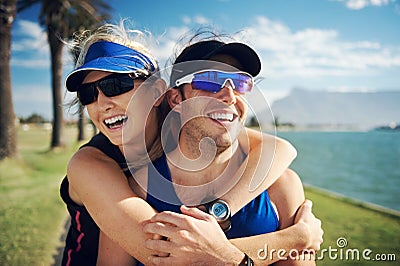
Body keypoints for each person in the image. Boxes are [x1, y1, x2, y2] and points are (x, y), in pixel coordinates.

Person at [60, 21, 322, 266]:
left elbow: (279, 147)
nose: (102, 103)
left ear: (156, 93)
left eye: (116, 84)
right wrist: (294, 239)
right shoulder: (94, 165)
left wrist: (220, 211)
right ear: (176, 98)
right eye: (87, 94)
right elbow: (165, 252)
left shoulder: (181, 123)